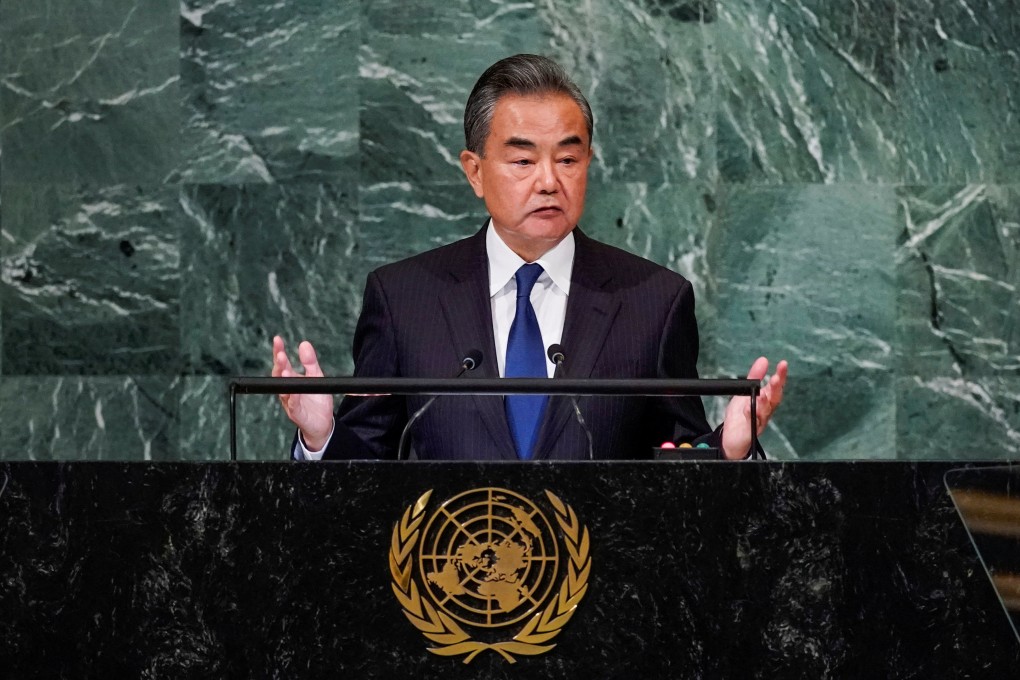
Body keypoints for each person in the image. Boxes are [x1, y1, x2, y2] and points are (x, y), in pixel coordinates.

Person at [272, 54, 787, 461]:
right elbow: (364, 470)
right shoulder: (405, 298)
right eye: (522, 160)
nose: (548, 181)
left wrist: (728, 450)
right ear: (475, 171)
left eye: (568, 158)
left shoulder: (653, 301)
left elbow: (678, 458)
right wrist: (321, 439)